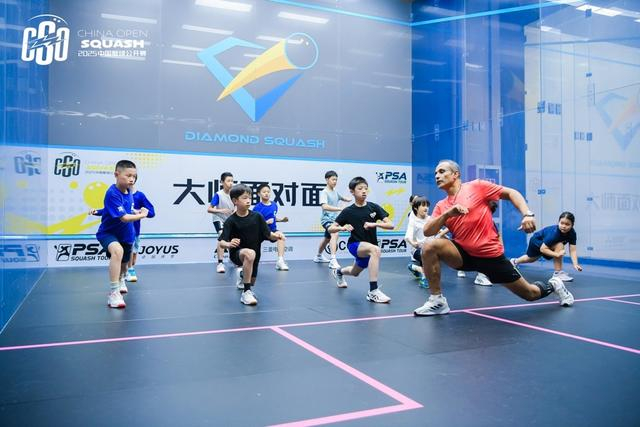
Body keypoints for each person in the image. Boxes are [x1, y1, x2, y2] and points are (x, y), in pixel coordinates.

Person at [413, 159, 574, 316]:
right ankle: (437, 301)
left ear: (456, 174)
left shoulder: (477, 186)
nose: (437, 176)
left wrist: (527, 214)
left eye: (442, 171)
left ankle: (554, 285)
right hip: (464, 255)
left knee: (530, 294)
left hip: (490, 257)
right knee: (429, 245)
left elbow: (511, 193)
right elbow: (427, 231)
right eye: (435, 173)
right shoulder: (442, 205)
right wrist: (447, 214)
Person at [328, 176, 393, 303]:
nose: (364, 191)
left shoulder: (374, 207)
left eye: (366, 188)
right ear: (352, 192)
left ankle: (339, 272)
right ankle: (373, 291)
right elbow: (330, 228)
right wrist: (342, 228)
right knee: (375, 250)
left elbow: (391, 225)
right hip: (355, 245)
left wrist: (375, 224)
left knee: (354, 272)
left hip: (368, 248)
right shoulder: (348, 211)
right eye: (360, 188)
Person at [94, 160, 148, 309]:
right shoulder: (112, 193)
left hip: (127, 235)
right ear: (116, 174)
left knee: (124, 267)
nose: (132, 179)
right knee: (117, 251)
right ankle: (114, 293)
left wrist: (136, 211)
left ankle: (121, 279)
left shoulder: (129, 191)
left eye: (134, 176)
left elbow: (127, 209)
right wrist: (142, 215)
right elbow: (123, 217)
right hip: (108, 233)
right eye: (128, 175)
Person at [218, 184, 285, 306]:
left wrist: (277, 235)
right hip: (237, 254)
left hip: (255, 256)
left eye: (249, 197)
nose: (248, 200)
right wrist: (229, 244)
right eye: (244, 198)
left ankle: (242, 274)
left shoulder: (257, 217)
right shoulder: (230, 221)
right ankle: (246, 293)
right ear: (235, 201)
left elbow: (269, 234)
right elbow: (221, 243)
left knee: (252, 280)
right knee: (249, 253)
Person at [90, 174, 155, 283]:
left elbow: (151, 213)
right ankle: (121, 280)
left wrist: (139, 212)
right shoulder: (115, 194)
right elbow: (111, 210)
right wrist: (97, 212)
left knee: (131, 258)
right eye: (129, 177)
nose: (131, 180)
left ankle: (128, 270)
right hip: (118, 232)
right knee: (118, 253)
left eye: (133, 178)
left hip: (133, 232)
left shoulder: (139, 196)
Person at [511, 211, 582, 282]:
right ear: (558, 222)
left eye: (567, 224)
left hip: (546, 245)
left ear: (572, 225)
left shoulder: (572, 233)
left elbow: (573, 250)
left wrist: (575, 264)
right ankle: (558, 273)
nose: (563, 226)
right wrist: (557, 254)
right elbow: (543, 249)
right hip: (537, 241)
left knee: (532, 258)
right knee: (558, 245)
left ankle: (514, 261)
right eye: (562, 223)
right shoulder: (554, 233)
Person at [314, 170, 352, 269]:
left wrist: (348, 198)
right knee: (335, 233)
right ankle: (333, 260)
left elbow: (341, 198)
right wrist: (340, 208)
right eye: (333, 179)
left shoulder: (335, 192)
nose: (335, 181)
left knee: (327, 239)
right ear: (327, 180)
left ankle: (318, 256)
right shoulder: (324, 192)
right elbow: (324, 206)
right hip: (326, 220)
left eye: (336, 180)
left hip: (334, 221)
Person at [253, 183, 289, 271]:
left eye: (268, 192)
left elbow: (273, 218)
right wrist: (265, 222)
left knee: (281, 236)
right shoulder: (257, 208)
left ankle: (280, 261)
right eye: (264, 192)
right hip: (260, 232)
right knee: (254, 254)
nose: (266, 193)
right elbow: (254, 222)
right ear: (259, 194)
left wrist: (282, 220)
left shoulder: (274, 205)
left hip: (272, 231)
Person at [207, 172, 234, 273]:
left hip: (230, 220)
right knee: (222, 236)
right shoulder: (218, 194)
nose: (231, 183)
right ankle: (220, 263)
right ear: (222, 182)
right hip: (218, 218)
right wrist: (221, 211)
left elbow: (237, 206)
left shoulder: (234, 194)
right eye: (228, 181)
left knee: (233, 238)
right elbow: (209, 209)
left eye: (232, 181)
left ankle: (233, 258)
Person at [404, 196, 430, 288]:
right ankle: (424, 279)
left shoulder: (430, 219)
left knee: (433, 268)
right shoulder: (413, 221)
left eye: (427, 206)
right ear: (416, 208)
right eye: (423, 205)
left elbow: (439, 230)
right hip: (417, 250)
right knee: (427, 257)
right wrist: (413, 243)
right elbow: (408, 237)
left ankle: (414, 267)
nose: (426, 208)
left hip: (431, 248)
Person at [473, 200, 500, 286]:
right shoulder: (475, 219)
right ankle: (480, 277)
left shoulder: (490, 221)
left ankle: (482, 275)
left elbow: (498, 235)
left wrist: (500, 247)